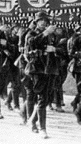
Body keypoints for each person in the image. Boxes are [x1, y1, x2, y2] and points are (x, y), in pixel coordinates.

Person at [25, 11, 64, 139]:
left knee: (48, 98)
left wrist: (54, 49)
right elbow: (31, 43)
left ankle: (32, 119)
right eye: (40, 20)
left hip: (50, 68)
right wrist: (45, 33)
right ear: (36, 22)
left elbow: (61, 49)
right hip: (37, 68)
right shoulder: (31, 33)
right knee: (41, 98)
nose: (43, 22)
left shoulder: (52, 35)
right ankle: (42, 128)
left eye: (45, 20)